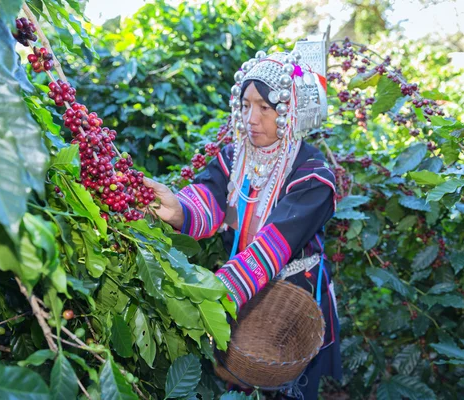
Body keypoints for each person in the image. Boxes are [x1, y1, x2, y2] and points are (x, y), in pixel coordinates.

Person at [144, 40, 342, 400]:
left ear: (291, 110)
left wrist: (215, 297)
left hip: (291, 298)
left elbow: (275, 242)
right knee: (238, 379)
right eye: (246, 105)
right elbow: (210, 195)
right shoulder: (235, 156)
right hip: (240, 289)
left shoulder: (314, 177)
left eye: (265, 107)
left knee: (284, 385)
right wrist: (177, 210)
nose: (252, 119)